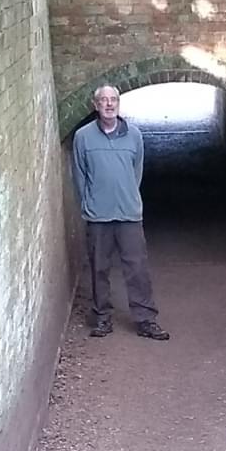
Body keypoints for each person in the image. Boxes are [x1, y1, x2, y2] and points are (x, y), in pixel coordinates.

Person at [72, 84, 170, 340]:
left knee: (137, 268)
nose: (109, 104)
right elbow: (79, 175)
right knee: (99, 268)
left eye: (113, 99)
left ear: (118, 103)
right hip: (98, 216)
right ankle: (102, 317)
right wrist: (89, 204)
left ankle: (146, 319)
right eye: (103, 100)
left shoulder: (134, 135)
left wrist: (126, 196)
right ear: (96, 105)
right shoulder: (83, 137)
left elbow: (135, 172)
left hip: (128, 214)